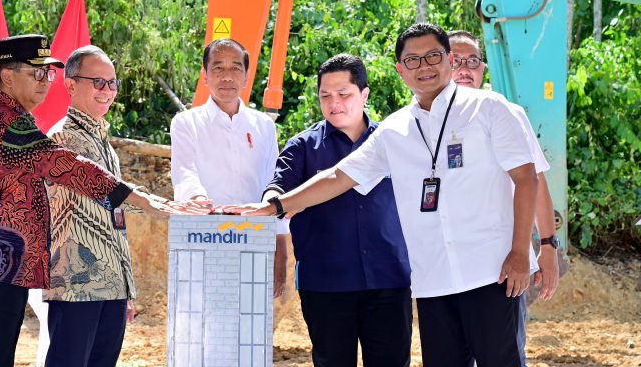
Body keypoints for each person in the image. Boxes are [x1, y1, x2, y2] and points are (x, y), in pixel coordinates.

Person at [228, 23, 540, 367]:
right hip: (433, 282)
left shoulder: (489, 108)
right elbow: (338, 177)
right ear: (400, 70)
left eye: (433, 56)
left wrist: (519, 253)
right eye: (413, 60)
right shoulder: (395, 130)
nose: (424, 66)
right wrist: (275, 205)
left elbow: (526, 178)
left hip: (490, 272)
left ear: (450, 60)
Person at [0, 35, 182, 367]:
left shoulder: (12, 119)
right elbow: (68, 166)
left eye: (47, 74)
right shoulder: (7, 125)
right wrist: (145, 200)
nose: (44, 82)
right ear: (7, 76)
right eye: (35, 73)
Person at [263, 54, 411, 367]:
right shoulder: (303, 146)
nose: (334, 104)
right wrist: (271, 201)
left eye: (344, 94)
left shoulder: (393, 142)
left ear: (364, 94)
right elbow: (278, 187)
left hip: (389, 279)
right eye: (325, 96)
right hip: (326, 284)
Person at [448, 29, 562, 365]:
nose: (465, 68)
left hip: (498, 271)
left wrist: (548, 246)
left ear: (483, 70)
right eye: (456, 60)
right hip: (445, 272)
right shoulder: (422, 120)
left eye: (473, 61)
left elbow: (535, 181)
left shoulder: (504, 112)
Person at [43, 46, 152, 366]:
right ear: (71, 85)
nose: (107, 91)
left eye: (112, 83)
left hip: (110, 285)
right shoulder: (63, 137)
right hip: (77, 285)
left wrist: (125, 287)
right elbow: (108, 193)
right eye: (98, 82)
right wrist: (158, 204)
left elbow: (114, 215)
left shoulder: (105, 144)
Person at [170, 37, 289, 296]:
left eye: (236, 67)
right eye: (218, 67)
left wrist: (281, 246)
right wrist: (202, 204)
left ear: (246, 76)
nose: (227, 76)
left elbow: (274, 185)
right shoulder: (186, 123)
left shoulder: (264, 126)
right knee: (202, 325)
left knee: (251, 327)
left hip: (255, 243)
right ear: (204, 75)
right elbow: (184, 173)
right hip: (205, 239)